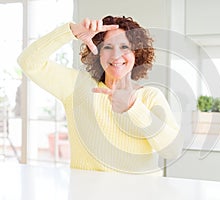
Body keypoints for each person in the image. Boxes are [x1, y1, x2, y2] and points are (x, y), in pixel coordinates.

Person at [18, 16, 183, 174]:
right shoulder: (77, 87)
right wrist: (71, 31)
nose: (116, 55)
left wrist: (134, 108)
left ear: (136, 53)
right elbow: (28, 62)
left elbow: (173, 150)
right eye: (108, 47)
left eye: (125, 47)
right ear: (98, 53)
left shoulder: (150, 96)